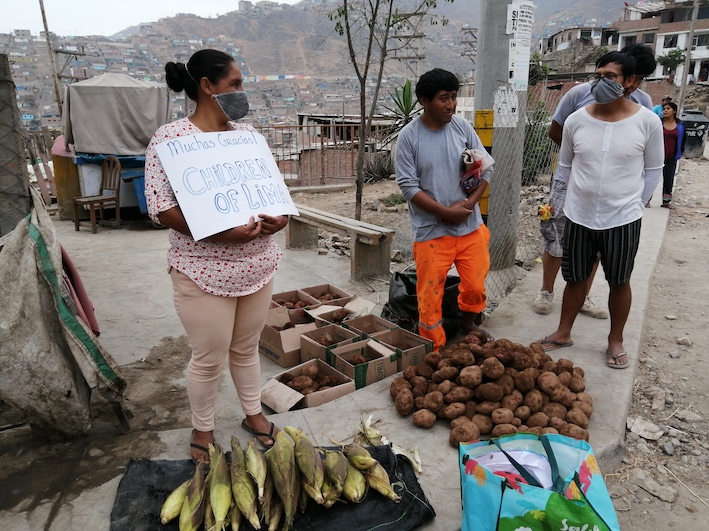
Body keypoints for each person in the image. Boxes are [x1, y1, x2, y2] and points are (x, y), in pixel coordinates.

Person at [144, 49, 288, 461]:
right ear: (207, 87)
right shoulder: (170, 140)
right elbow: (162, 207)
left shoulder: (248, 137)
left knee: (245, 349)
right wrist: (219, 233)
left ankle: (254, 414)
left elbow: (270, 192)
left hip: (257, 267)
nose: (242, 92)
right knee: (208, 358)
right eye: (235, 84)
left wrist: (278, 219)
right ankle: (203, 430)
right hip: (202, 272)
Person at [537, 51, 664, 369]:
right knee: (576, 277)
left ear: (630, 81)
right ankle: (563, 332)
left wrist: (638, 203)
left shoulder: (647, 122)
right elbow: (564, 167)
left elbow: (653, 169)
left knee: (619, 280)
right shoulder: (576, 121)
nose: (601, 82)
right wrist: (560, 201)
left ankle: (615, 341)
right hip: (579, 215)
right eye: (598, 76)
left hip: (622, 218)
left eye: (610, 76)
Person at [395, 68, 493, 352]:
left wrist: (468, 205)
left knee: (475, 285)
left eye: (453, 97)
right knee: (429, 296)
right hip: (432, 233)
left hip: (470, 228)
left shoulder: (462, 128)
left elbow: (485, 169)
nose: (450, 104)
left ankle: (468, 325)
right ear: (424, 101)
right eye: (442, 98)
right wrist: (444, 212)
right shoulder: (409, 138)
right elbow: (409, 187)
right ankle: (433, 348)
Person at [660, 101, 686, 209]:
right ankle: (646, 199)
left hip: (671, 156)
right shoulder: (658, 123)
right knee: (652, 178)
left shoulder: (680, 125)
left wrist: (680, 152)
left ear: (674, 111)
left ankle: (666, 201)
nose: (665, 110)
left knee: (669, 179)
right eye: (664, 109)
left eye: (668, 108)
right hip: (657, 155)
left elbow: (684, 140)